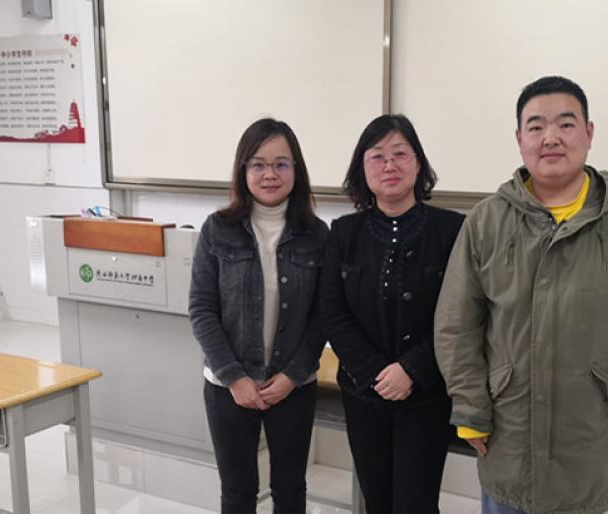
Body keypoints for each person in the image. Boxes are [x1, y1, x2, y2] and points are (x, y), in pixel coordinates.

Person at [434, 76, 608, 514]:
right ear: (519, 139)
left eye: (565, 124)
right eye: (536, 126)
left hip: (590, 432)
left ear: (589, 133)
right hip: (509, 431)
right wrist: (470, 406)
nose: (550, 137)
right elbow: (456, 325)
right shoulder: (486, 221)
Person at [319, 114, 464, 514]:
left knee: (417, 505)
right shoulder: (343, 232)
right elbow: (331, 311)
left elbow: (461, 315)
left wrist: (411, 370)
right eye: (377, 156)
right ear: (362, 168)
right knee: (377, 502)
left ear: (418, 164)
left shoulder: (452, 230)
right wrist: (376, 374)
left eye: (400, 154)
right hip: (363, 394)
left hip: (427, 394)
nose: (389, 165)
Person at [189, 118, 329, 513]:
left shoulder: (317, 234)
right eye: (258, 164)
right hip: (228, 386)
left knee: (290, 489)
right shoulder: (217, 229)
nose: (270, 174)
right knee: (237, 492)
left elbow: (323, 316)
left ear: (296, 170)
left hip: (293, 386)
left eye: (281, 164)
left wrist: (291, 376)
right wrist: (234, 377)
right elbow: (201, 309)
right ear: (243, 170)